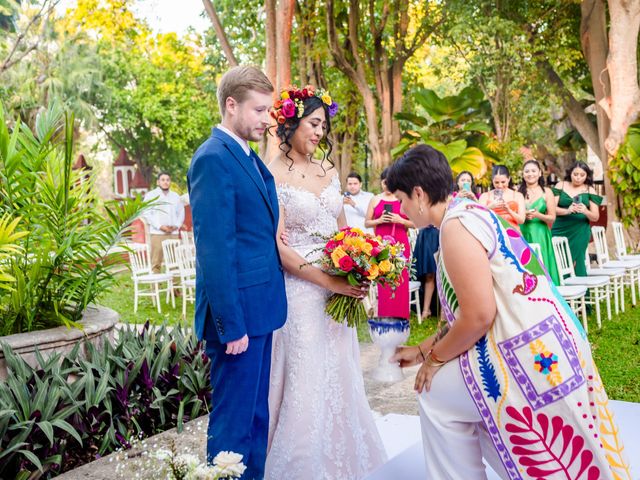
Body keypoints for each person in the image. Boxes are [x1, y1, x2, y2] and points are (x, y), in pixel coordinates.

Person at [388, 144, 630, 480]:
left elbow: (478, 316)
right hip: (543, 341)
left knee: (435, 392)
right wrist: (421, 349)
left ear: (418, 194)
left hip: (529, 352)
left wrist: (434, 360)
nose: (401, 208)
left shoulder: (456, 226)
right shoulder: (467, 209)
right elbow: (468, 314)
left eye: (401, 199)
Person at [265, 85, 386, 479]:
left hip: (338, 287)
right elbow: (280, 249)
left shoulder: (329, 170)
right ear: (291, 122)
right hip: (300, 291)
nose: (319, 133)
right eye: (313, 123)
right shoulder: (273, 171)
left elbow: (342, 232)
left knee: (341, 373)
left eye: (323, 126)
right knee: (307, 377)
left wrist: (357, 268)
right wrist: (326, 281)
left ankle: (344, 459)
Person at [187, 65, 287, 479]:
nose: (268, 119)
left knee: (255, 420)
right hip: (237, 320)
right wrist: (231, 326)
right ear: (231, 105)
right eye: (260, 110)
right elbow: (214, 250)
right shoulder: (213, 159)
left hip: (259, 309)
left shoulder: (244, 153)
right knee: (233, 425)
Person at [365, 168, 415, 319]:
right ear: (381, 182)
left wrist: (400, 220)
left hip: (400, 243)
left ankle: (401, 316)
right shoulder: (375, 199)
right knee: (383, 278)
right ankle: (385, 315)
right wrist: (379, 220)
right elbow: (367, 222)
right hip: (381, 244)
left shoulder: (403, 199)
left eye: (390, 182)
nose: (386, 186)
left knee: (400, 278)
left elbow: (415, 223)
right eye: (384, 182)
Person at [552, 161, 602, 277]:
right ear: (570, 173)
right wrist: (567, 211)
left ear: (587, 175)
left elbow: (595, 217)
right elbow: (551, 209)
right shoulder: (561, 185)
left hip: (580, 231)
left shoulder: (590, 190)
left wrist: (585, 210)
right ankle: (561, 292)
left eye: (582, 175)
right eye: (575, 174)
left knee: (576, 261)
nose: (578, 178)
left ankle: (582, 293)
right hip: (559, 228)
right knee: (558, 260)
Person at [518, 159, 560, 285]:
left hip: (541, 234)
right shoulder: (518, 193)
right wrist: (523, 214)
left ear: (540, 173)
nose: (530, 174)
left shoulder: (547, 192)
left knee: (543, 266)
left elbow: (552, 217)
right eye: (527, 171)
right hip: (522, 233)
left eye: (533, 171)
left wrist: (538, 215)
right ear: (523, 174)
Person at [143, 172, 185, 273]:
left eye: (167, 180)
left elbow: (181, 212)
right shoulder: (151, 195)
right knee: (156, 262)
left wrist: (176, 226)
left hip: (173, 233)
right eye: (163, 180)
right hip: (158, 233)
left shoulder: (176, 196)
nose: (165, 182)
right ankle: (156, 287)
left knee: (175, 261)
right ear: (158, 182)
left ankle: (175, 288)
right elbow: (146, 213)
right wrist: (160, 226)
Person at [479, 165, 525, 231]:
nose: (500, 185)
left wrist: (509, 210)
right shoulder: (485, 196)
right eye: (496, 182)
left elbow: (521, 220)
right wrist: (489, 207)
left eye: (503, 182)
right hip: (492, 233)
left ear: (509, 179)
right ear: (492, 180)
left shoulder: (518, 196)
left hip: (512, 233)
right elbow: (478, 215)